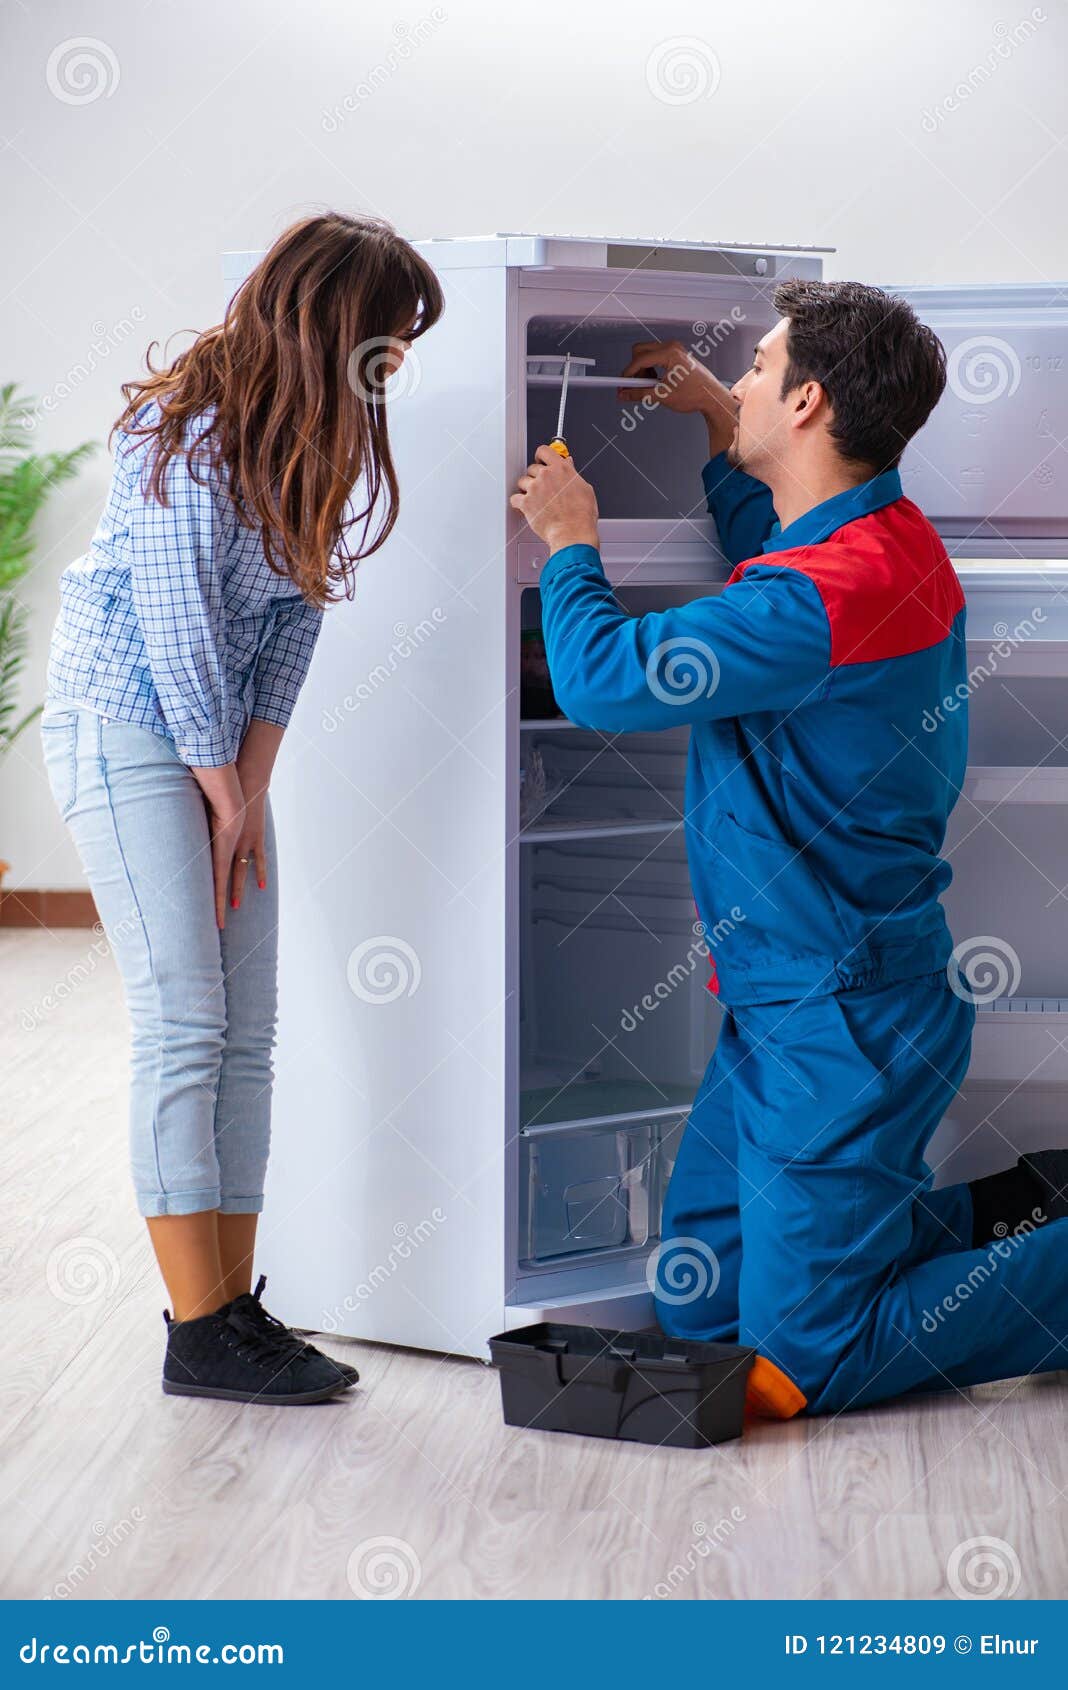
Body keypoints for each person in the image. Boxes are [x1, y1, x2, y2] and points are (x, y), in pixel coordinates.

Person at [511, 280, 1068, 1418]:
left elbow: (603, 680)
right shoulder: (879, 541)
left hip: (842, 1019)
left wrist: (571, 541)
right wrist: (722, 419)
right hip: (792, 1005)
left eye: (759, 367)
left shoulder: (827, 591)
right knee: (704, 1309)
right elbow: (775, 549)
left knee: (800, 1362)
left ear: (809, 402)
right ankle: (1002, 1214)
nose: (746, 375)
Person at [41, 213, 443, 1406]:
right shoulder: (181, 433)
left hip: (218, 753)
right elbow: (175, 636)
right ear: (332, 323)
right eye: (391, 334)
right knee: (184, 1021)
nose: (399, 359)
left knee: (246, 1031)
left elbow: (291, 627)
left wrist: (247, 793)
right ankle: (198, 1328)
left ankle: (233, 1307)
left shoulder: (319, 443)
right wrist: (223, 793)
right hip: (125, 724)